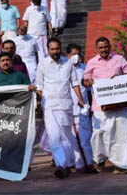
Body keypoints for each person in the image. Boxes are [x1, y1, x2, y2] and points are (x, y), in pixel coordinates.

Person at [82, 37, 127, 174]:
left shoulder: (119, 59)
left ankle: (121, 165)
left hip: (120, 105)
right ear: (96, 48)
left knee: (121, 134)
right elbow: (84, 81)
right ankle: (99, 161)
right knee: (99, 135)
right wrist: (90, 82)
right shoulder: (92, 62)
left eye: (106, 47)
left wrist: (119, 79)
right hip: (100, 106)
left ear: (110, 47)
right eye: (101, 47)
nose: (104, 50)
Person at [36, 38, 86, 179]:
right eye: (52, 49)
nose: (55, 51)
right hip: (50, 105)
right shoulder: (43, 64)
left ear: (60, 48)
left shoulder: (68, 63)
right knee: (54, 136)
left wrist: (80, 100)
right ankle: (61, 165)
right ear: (48, 50)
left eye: (57, 49)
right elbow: (39, 87)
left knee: (66, 136)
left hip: (65, 104)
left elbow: (74, 83)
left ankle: (67, 163)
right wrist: (38, 104)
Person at [66, 44, 94, 172]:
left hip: (84, 110)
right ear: (68, 56)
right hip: (72, 110)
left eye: (78, 54)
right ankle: (83, 165)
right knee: (77, 140)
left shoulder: (85, 69)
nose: (76, 56)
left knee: (86, 138)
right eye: (73, 54)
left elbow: (90, 89)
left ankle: (88, 163)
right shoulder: (64, 70)